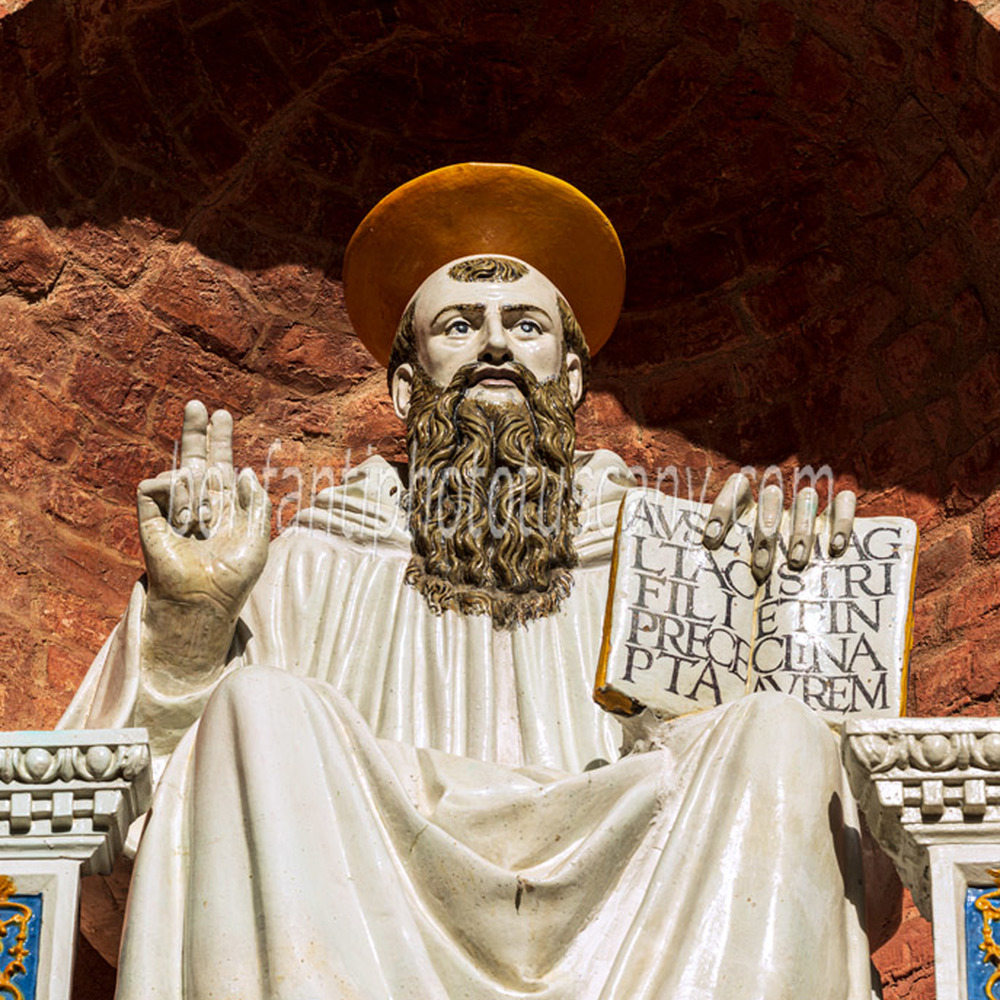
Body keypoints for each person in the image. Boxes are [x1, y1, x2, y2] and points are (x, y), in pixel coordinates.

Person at [62, 163, 876, 999]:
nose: (495, 343)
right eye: (459, 324)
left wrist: (788, 610)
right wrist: (191, 626)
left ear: (569, 377)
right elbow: (129, 854)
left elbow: (827, 851)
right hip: (363, 923)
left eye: (525, 325)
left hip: (641, 916)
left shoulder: (671, 558)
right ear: (409, 385)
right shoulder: (314, 559)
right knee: (257, 706)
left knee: (778, 727)